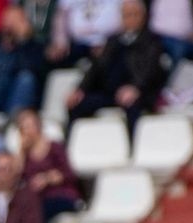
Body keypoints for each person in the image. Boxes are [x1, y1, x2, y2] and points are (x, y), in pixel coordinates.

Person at [66, 1, 170, 133]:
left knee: (133, 107)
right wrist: (80, 89)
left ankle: (133, 146)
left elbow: (150, 70)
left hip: (139, 93)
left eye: (134, 14)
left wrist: (135, 88)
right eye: (126, 15)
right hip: (110, 93)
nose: (130, 19)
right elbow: (97, 67)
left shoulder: (152, 41)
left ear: (143, 16)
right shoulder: (112, 40)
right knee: (77, 104)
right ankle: (73, 144)